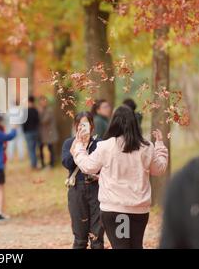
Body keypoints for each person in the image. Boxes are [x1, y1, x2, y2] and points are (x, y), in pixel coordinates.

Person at [72, 105, 168, 249]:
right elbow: (159, 169)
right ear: (135, 124)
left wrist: (79, 147)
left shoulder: (106, 146)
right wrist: (160, 145)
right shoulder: (146, 147)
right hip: (139, 210)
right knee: (136, 246)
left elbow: (87, 166)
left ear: (114, 122)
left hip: (115, 210)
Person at [62, 111, 104, 249]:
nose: (82, 128)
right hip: (77, 189)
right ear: (75, 126)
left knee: (97, 238)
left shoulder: (99, 144)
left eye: (86, 124)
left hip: (96, 189)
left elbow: (103, 166)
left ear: (92, 126)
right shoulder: (69, 143)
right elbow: (67, 163)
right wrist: (78, 145)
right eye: (80, 124)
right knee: (80, 239)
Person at [160, 157, 199, 249]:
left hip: (120, 207)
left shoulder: (182, 182)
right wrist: (160, 146)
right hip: (141, 207)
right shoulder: (183, 183)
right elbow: (159, 168)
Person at [37, 96, 59, 169]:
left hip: (49, 133)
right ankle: (43, 164)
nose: (43, 102)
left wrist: (40, 113)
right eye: (41, 101)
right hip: (43, 134)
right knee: (41, 148)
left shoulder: (49, 110)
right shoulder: (41, 110)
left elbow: (44, 121)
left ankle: (51, 164)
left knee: (50, 149)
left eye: (44, 101)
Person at [23, 96, 40, 169]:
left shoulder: (26, 111)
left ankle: (33, 165)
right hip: (35, 131)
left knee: (31, 149)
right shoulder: (36, 110)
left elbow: (24, 122)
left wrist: (24, 130)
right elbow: (38, 121)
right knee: (35, 148)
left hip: (28, 132)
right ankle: (35, 163)